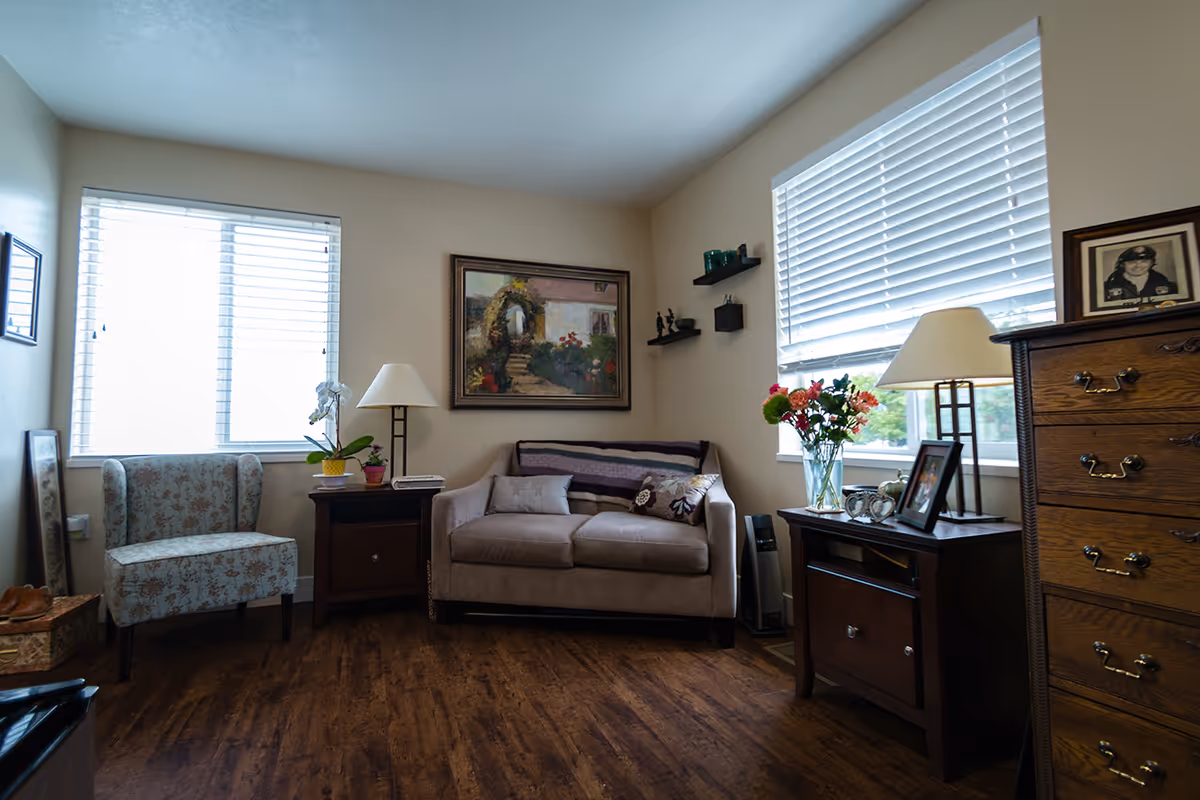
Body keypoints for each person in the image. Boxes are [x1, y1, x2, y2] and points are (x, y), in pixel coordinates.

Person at [1104, 245, 1177, 301]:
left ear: (1152, 263)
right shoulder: (1107, 286)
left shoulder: (1167, 285)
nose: (1138, 266)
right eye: (1132, 262)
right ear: (1122, 264)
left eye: (1144, 261)